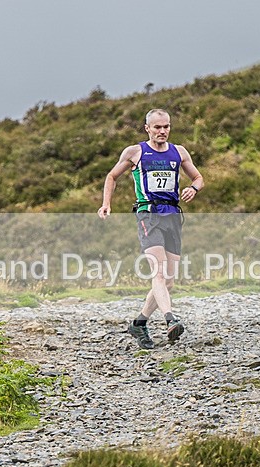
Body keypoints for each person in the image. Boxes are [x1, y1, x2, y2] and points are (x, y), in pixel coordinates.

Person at [97, 108, 204, 349]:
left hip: (173, 215)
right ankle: (170, 319)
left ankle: (139, 323)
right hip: (148, 214)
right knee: (158, 272)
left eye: (166, 126)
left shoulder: (179, 152)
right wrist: (106, 204)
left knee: (169, 281)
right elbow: (111, 176)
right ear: (148, 128)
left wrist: (193, 188)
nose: (162, 131)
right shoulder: (135, 152)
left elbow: (198, 177)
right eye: (157, 127)